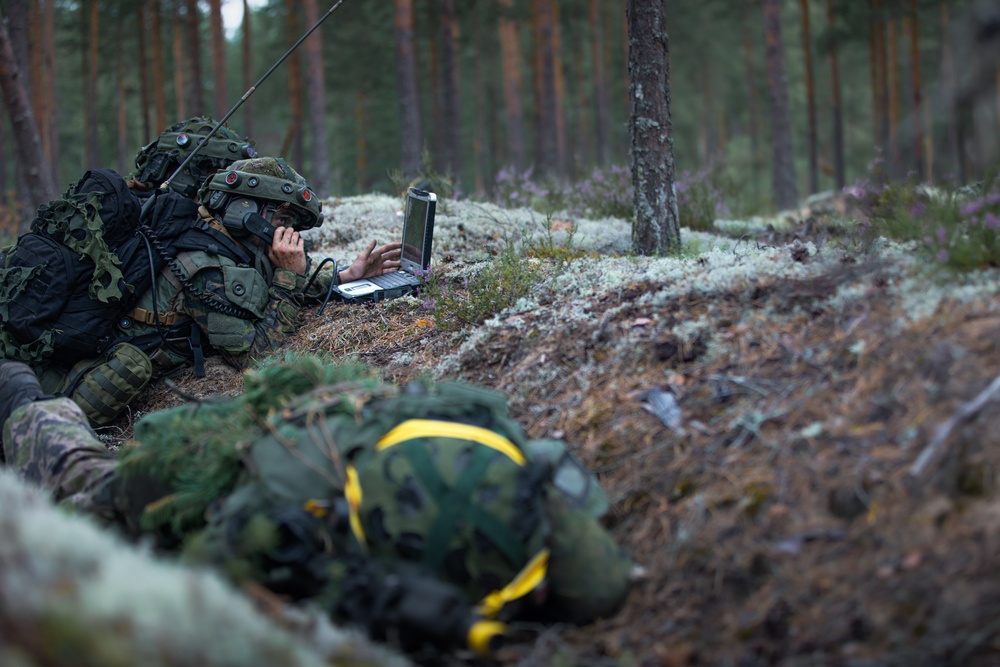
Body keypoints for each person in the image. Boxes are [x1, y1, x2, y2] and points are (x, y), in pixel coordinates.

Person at [0, 355, 633, 657]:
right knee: (85, 497)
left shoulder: (477, 445)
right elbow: (201, 571)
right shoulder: (276, 494)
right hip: (221, 461)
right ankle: (26, 401)